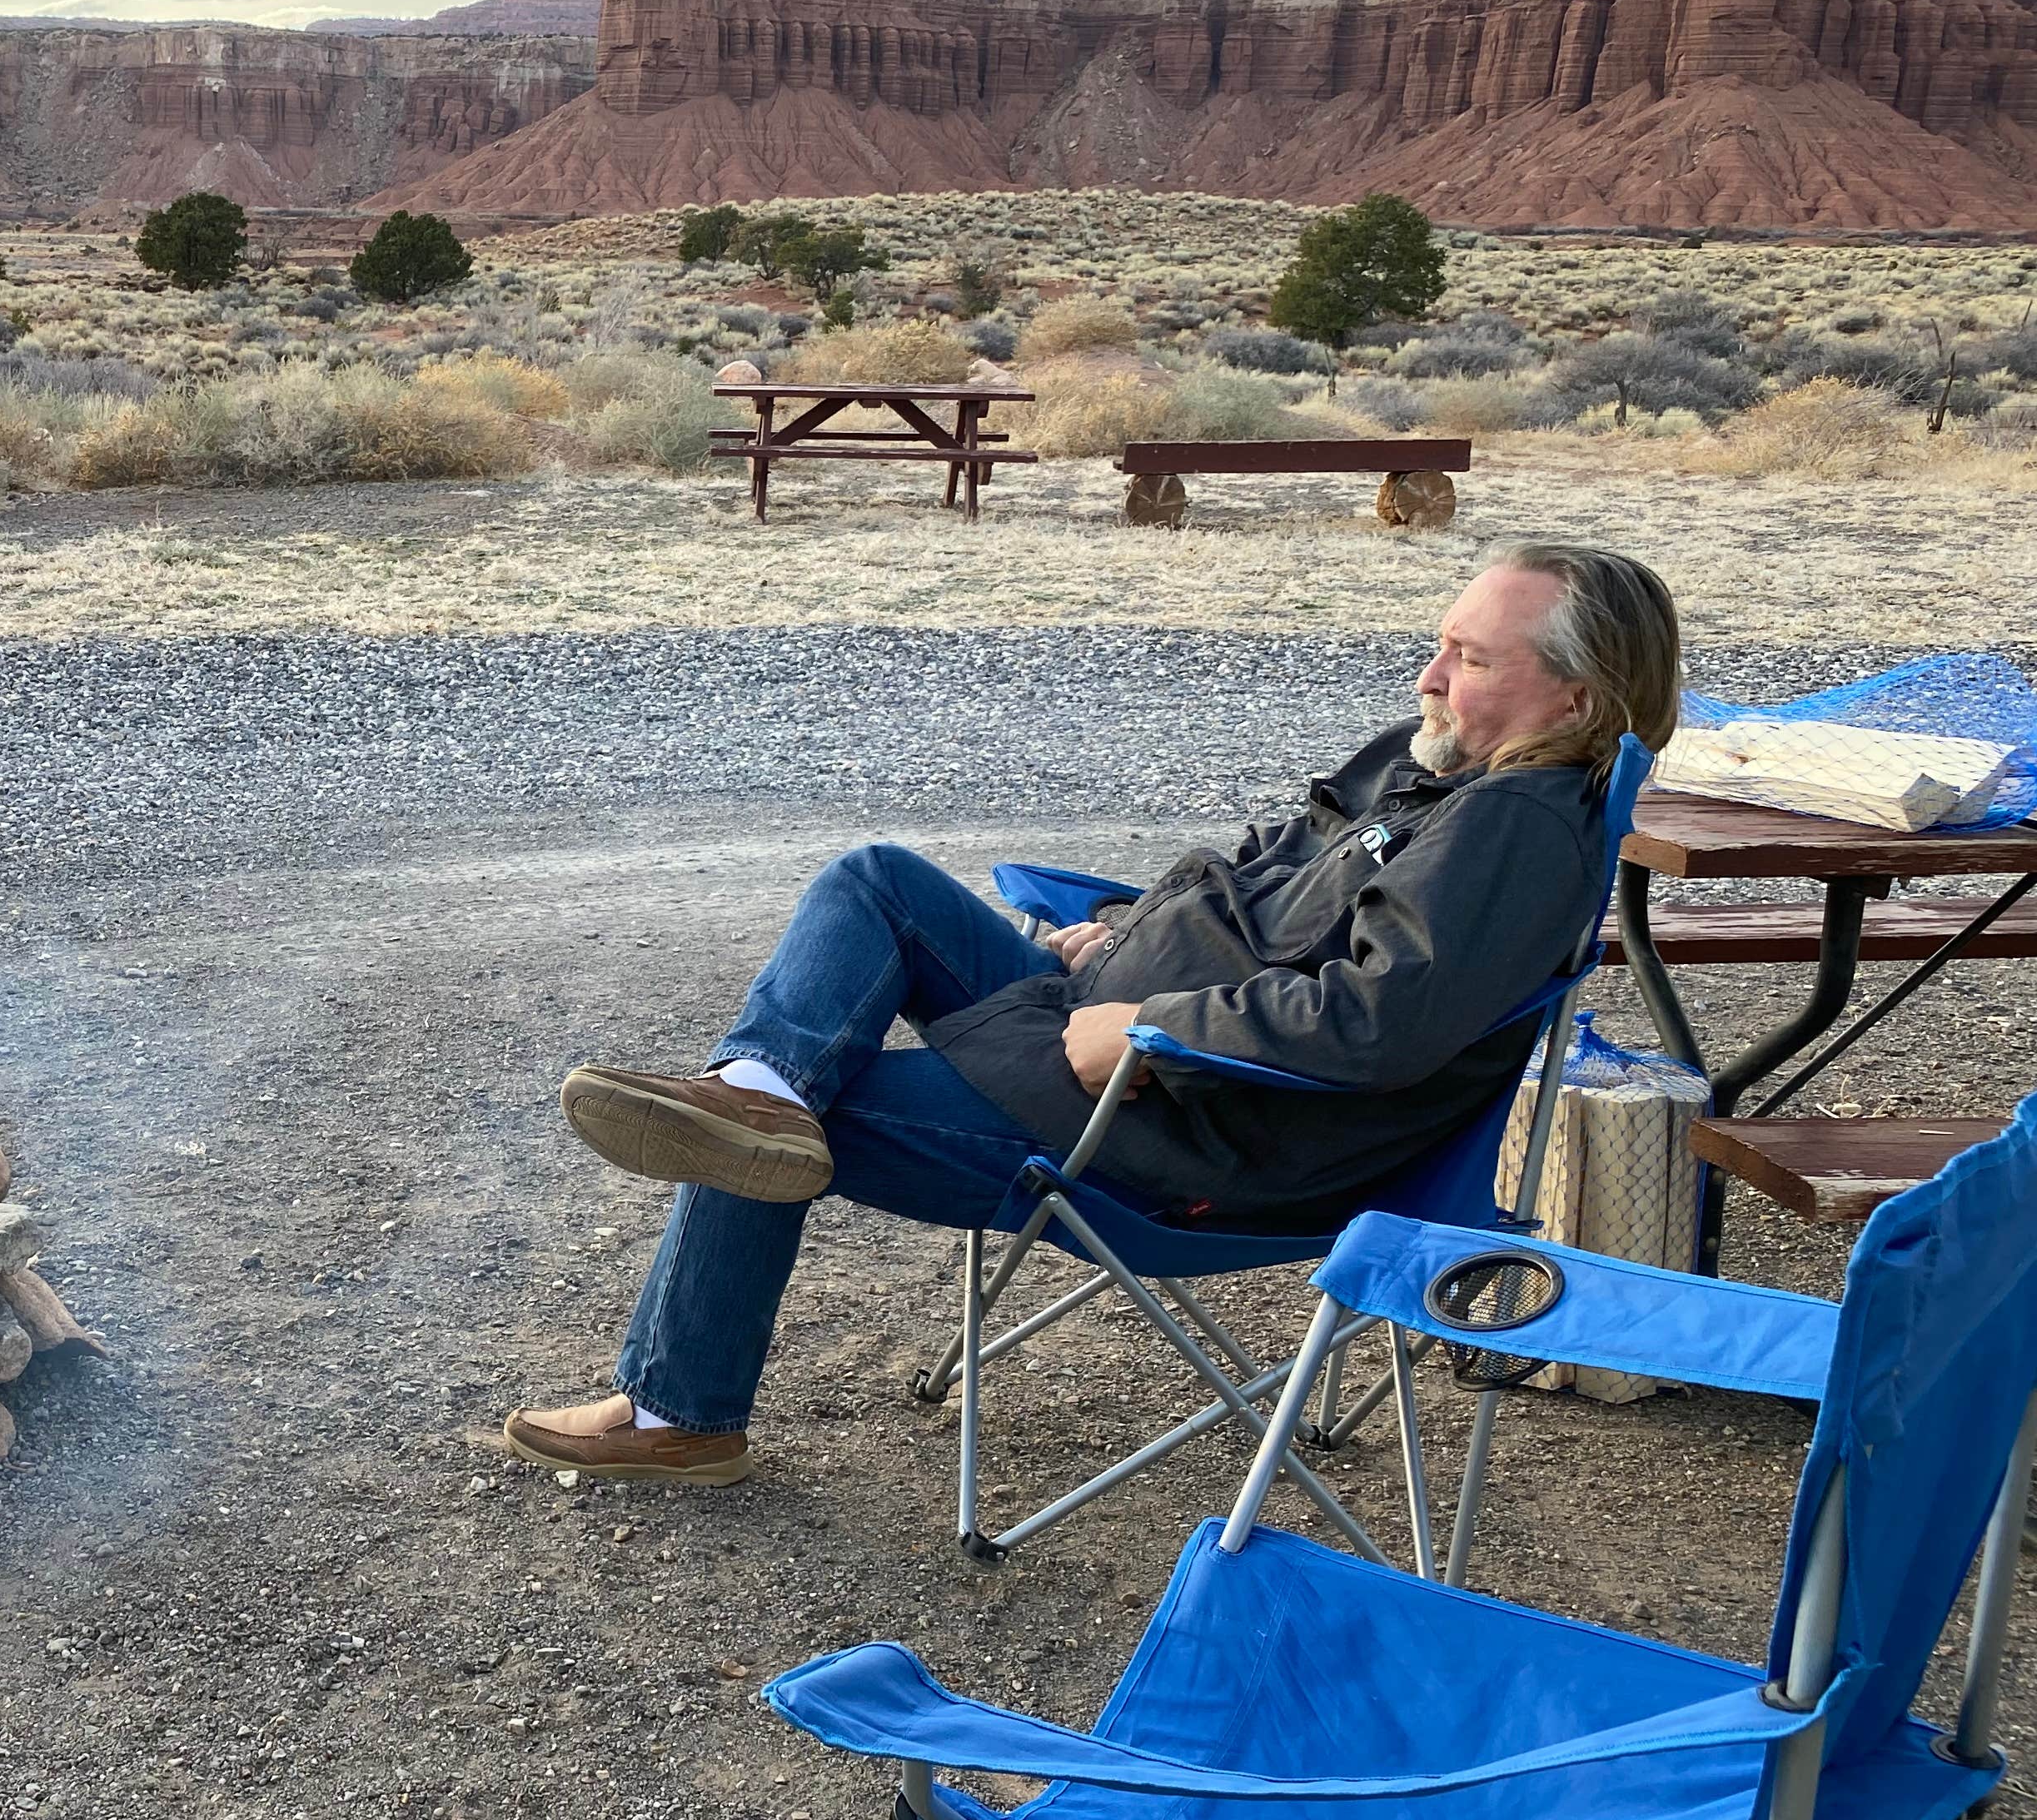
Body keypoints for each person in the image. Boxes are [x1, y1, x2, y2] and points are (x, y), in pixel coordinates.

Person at [506, 541, 1682, 1485]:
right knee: (876, 885)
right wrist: (1124, 929)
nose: (1429, 677)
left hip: (1188, 1120)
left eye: (1469, 659)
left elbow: (1377, 1021)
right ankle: (756, 1091)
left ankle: (680, 1402)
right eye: (1440, 644)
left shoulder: (1514, 826)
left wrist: (1154, 1026)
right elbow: (1265, 874)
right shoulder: (1434, 763)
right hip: (1107, 1025)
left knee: (772, 1128)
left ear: (1575, 695)